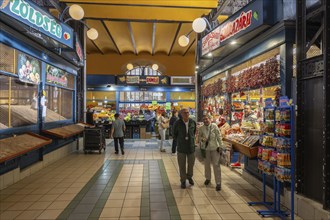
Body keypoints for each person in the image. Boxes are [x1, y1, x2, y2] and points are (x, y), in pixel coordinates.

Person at [198, 114, 225, 191]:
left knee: (216, 165)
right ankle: (208, 178)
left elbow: (219, 136)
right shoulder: (201, 128)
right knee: (206, 165)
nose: (205, 120)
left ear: (210, 119)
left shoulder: (214, 126)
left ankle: (218, 183)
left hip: (215, 148)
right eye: (204, 119)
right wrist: (203, 139)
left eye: (207, 119)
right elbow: (199, 137)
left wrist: (221, 146)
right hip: (206, 149)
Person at [173, 108, 197, 189]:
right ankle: (183, 180)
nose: (186, 114)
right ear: (181, 114)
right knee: (181, 165)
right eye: (184, 113)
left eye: (187, 112)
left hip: (191, 147)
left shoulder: (193, 122)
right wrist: (180, 141)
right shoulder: (177, 123)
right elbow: (174, 134)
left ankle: (189, 176)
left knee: (191, 164)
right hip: (181, 148)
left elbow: (194, 133)